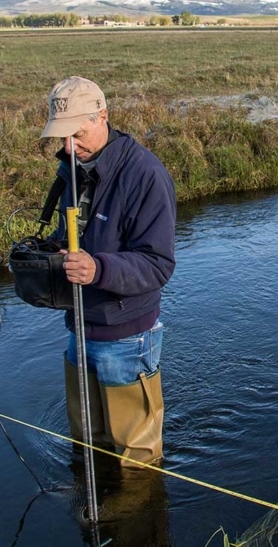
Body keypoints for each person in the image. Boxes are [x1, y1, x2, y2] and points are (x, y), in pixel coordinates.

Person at [41, 75, 176, 467]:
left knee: (135, 459)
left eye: (77, 134)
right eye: (62, 137)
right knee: (87, 441)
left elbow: (158, 264)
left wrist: (97, 268)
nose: (69, 146)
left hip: (128, 338)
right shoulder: (74, 166)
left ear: (103, 116)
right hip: (79, 327)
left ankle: (139, 521)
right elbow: (75, 233)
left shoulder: (146, 175)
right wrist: (49, 249)